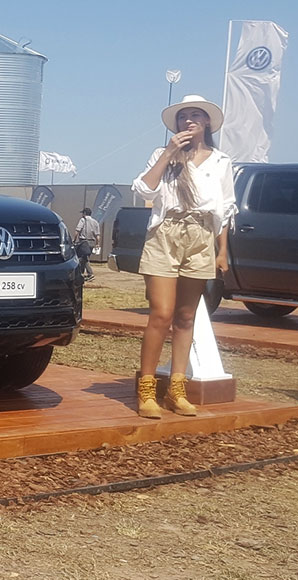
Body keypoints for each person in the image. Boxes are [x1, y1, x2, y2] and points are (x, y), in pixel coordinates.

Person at [130, 95, 236, 419]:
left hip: (201, 236)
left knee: (187, 316)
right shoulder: (163, 155)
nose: (188, 121)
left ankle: (177, 389)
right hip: (166, 233)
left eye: (195, 115)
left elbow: (225, 209)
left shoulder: (221, 161)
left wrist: (222, 250)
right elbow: (144, 189)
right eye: (183, 116)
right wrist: (168, 152)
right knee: (161, 313)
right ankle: (147, 389)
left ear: (207, 122)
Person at [74, 207, 100, 281]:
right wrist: (97, 244)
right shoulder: (95, 222)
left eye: (83, 213)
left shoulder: (83, 220)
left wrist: (74, 240)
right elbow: (97, 235)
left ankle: (90, 274)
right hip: (92, 242)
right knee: (84, 257)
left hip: (84, 242)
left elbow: (77, 230)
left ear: (85, 213)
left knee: (84, 258)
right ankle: (81, 274)